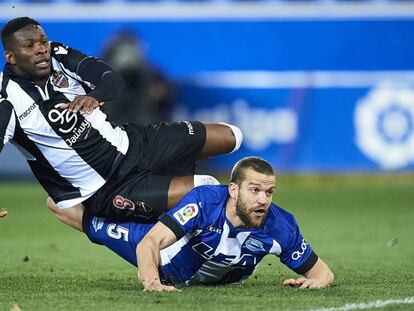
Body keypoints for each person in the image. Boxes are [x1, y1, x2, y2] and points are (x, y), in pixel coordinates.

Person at [0, 17, 243, 224]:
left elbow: (110, 78)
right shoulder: (7, 99)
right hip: (109, 187)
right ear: (11, 57)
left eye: (42, 41)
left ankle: (175, 199)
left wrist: (94, 96)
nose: (42, 49)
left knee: (232, 136)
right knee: (208, 189)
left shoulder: (59, 55)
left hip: (135, 142)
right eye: (29, 45)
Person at [50, 156, 334, 291]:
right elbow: (150, 243)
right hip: (165, 261)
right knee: (74, 213)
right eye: (255, 190)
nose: (263, 200)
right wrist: (152, 282)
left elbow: (323, 273)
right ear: (233, 190)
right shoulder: (205, 202)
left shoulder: (281, 226)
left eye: (269, 192)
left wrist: (315, 283)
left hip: (209, 275)